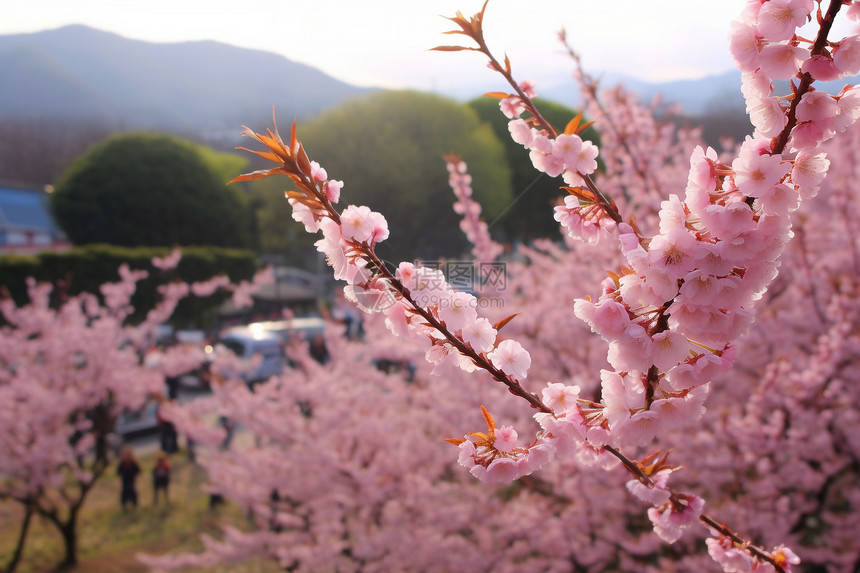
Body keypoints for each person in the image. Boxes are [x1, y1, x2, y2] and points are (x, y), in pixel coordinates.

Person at [117, 445, 141, 511]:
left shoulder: (133, 463)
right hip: (125, 480)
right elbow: (118, 471)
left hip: (131, 480)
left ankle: (135, 504)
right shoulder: (122, 463)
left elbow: (138, 470)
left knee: (132, 492)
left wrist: (135, 475)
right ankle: (124, 506)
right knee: (124, 493)